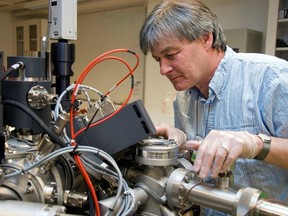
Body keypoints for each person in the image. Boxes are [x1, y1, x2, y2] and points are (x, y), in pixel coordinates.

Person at [139, 0, 288, 215]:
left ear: (206, 38)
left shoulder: (272, 78)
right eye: (157, 60)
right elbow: (198, 167)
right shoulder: (183, 99)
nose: (163, 69)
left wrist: (255, 144)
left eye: (171, 55)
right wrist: (179, 145)